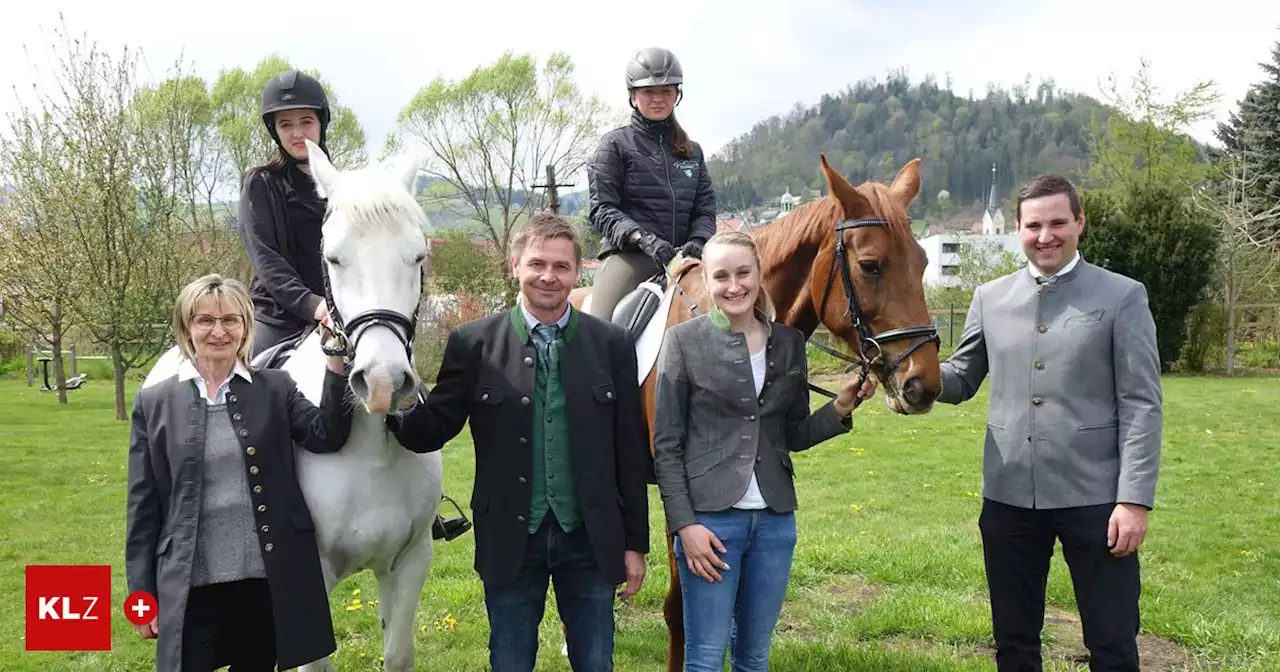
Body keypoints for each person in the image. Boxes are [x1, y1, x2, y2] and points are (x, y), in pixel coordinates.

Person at [387, 213, 651, 671]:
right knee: (509, 663)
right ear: (515, 265)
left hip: (590, 538)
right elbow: (435, 427)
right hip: (510, 538)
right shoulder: (473, 343)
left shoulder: (612, 343)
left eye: (561, 266)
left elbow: (628, 450)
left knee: (596, 662)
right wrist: (391, 398)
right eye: (537, 263)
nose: (548, 276)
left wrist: (635, 544)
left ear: (577, 271)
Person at [937, 174, 1163, 671]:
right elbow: (960, 378)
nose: (1046, 235)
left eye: (1058, 222)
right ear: (1017, 229)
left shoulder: (1123, 296)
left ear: (1079, 222)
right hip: (1008, 498)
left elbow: (1142, 404)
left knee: (1112, 642)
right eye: (1033, 225)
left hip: (1098, 500)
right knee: (1014, 643)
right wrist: (915, 376)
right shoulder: (989, 297)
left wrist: (1134, 500)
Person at [652, 231, 878, 671]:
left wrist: (840, 407)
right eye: (721, 276)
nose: (733, 286)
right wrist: (684, 526)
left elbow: (792, 433)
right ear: (707, 280)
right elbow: (666, 446)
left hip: (775, 524)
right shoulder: (683, 342)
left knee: (754, 656)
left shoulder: (789, 343)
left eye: (743, 273)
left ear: (759, 276)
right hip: (711, 525)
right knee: (703, 657)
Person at [125, 273, 353, 671]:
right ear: (186, 328)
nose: (219, 331)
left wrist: (335, 361)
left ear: (246, 327)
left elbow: (326, 435)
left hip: (262, 583)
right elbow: (143, 507)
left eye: (230, 320)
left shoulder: (276, 388)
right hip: (190, 587)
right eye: (205, 321)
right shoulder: (155, 404)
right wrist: (141, 594)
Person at [585, 46, 717, 322]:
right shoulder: (614, 145)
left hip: (687, 258)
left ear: (676, 96)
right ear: (633, 97)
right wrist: (643, 239)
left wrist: (698, 239)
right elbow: (602, 209)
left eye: (666, 91)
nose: (658, 99)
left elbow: (705, 209)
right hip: (633, 256)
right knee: (600, 329)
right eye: (649, 92)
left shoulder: (693, 152)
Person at [239, 69, 332, 359]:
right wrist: (312, 305)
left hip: (338, 315)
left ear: (321, 123)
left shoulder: (341, 186)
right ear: (275, 130)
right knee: (238, 375)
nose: (297, 133)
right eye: (286, 124)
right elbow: (266, 259)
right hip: (276, 319)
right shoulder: (260, 183)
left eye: (306, 121)